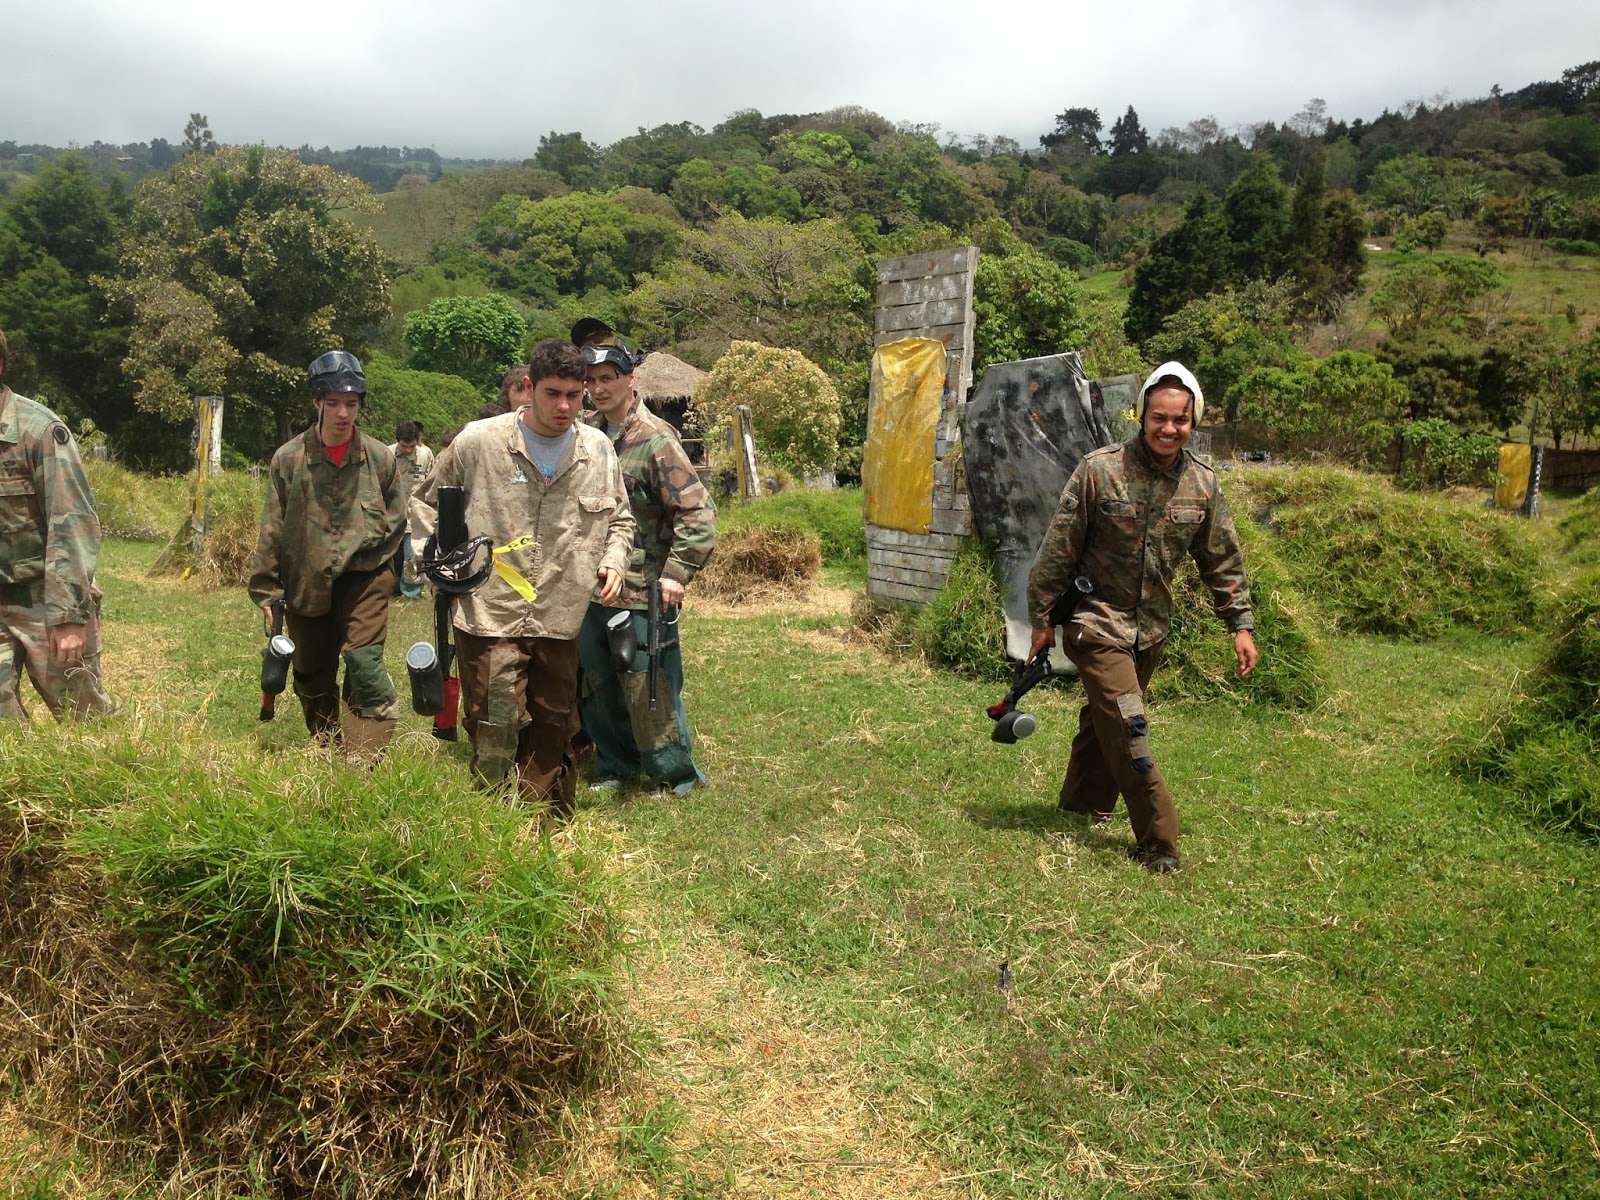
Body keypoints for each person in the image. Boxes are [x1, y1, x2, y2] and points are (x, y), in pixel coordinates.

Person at [1026, 361, 1258, 874]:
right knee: (1130, 725)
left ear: (1194, 420)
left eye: (1180, 420)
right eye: (1159, 417)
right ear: (1141, 415)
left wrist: (1240, 625)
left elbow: (1221, 559)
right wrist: (1041, 617)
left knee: (1103, 719)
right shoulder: (1100, 470)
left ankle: (1083, 804)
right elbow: (1058, 548)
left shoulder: (1203, 485)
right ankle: (1159, 841)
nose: (1169, 429)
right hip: (1095, 621)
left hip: (1150, 630)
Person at [411, 339, 634, 820]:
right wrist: (437, 565)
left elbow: (620, 520)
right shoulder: (479, 442)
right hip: (489, 610)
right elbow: (424, 504)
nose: (564, 406)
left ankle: (543, 830)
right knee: (495, 725)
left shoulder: (596, 450)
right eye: (553, 393)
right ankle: (494, 825)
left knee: (555, 726)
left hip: (562, 611)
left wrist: (614, 561)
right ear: (528, 387)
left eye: (575, 395)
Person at [248, 351, 406, 763]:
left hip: (365, 577)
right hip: (306, 579)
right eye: (333, 402)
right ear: (317, 402)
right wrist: (268, 591)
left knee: (364, 661)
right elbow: (272, 527)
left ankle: (365, 756)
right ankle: (328, 747)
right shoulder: (289, 459)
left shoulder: (380, 458)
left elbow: (396, 518)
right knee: (312, 673)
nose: (342, 413)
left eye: (351, 404)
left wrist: (366, 557)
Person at [576, 336, 716, 793]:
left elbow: (697, 514)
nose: (599, 388)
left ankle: (673, 776)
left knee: (648, 686)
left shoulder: (656, 439)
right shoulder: (587, 438)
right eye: (591, 380)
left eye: (608, 379)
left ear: (630, 380)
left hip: (644, 587)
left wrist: (676, 574)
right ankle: (615, 767)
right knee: (596, 683)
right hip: (593, 585)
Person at [0, 328, 114, 721]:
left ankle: (109, 780)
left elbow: (73, 526)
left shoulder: (40, 431)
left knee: (86, 720)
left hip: (43, 598)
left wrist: (68, 618)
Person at [389, 420, 434, 600]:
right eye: (404, 446)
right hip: (392, 513)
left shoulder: (425, 455)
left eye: (412, 446)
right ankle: (394, 589)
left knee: (412, 554)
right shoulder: (387, 453)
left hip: (415, 514)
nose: (408, 450)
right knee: (394, 555)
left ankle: (412, 593)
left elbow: (431, 481)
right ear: (397, 440)